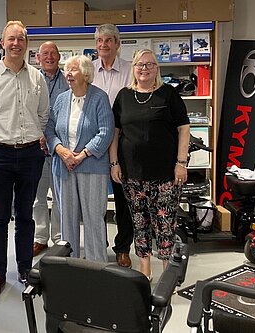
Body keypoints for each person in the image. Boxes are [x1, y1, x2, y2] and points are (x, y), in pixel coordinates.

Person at [0, 20, 49, 299]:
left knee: (26, 216)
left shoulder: (37, 78)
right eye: (11, 39)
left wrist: (31, 136)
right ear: (2, 43)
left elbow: (43, 114)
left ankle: (25, 270)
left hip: (30, 154)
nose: (16, 43)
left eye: (21, 39)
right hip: (0, 154)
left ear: (26, 44)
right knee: (0, 217)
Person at [110, 49, 190, 279]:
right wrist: (114, 163)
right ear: (133, 68)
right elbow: (115, 133)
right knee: (139, 221)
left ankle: (167, 271)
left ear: (157, 68)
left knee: (165, 223)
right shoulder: (124, 96)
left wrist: (181, 162)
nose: (144, 69)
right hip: (131, 174)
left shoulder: (168, 94)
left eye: (149, 64)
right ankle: (145, 269)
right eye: (139, 65)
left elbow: (183, 128)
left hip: (165, 173)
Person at [45, 55, 113, 262]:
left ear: (85, 73)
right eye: (66, 69)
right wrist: (60, 150)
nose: (68, 73)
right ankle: (70, 263)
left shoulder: (99, 98)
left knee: (94, 218)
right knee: (67, 219)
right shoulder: (61, 99)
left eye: (73, 69)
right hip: (63, 167)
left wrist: (82, 154)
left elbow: (106, 131)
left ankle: (97, 265)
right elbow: (49, 128)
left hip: (92, 166)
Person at [91, 23, 133, 268]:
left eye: (109, 40)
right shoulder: (89, 70)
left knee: (123, 200)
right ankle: (98, 246)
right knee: (94, 200)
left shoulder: (130, 70)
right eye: (100, 41)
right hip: (94, 143)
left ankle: (123, 247)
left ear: (118, 44)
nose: (104, 44)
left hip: (123, 142)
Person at [32, 41, 69, 257]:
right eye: (44, 54)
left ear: (59, 56)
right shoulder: (32, 79)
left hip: (59, 149)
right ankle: (40, 238)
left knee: (59, 197)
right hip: (36, 147)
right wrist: (39, 136)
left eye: (52, 53)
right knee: (38, 197)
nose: (48, 57)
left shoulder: (68, 80)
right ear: (38, 58)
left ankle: (58, 238)